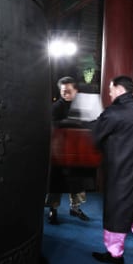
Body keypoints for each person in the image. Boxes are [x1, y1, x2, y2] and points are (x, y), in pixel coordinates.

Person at [91, 75, 133, 264]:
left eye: (111, 89)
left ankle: (115, 255)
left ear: (119, 88)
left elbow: (96, 137)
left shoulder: (114, 112)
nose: (109, 93)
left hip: (119, 170)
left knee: (117, 210)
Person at [45, 76, 90, 224]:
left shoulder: (81, 106)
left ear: (76, 90)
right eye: (63, 91)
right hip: (59, 151)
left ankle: (75, 208)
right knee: (56, 182)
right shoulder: (56, 106)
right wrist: (72, 122)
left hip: (77, 150)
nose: (65, 94)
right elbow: (52, 124)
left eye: (68, 91)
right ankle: (53, 209)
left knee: (76, 181)